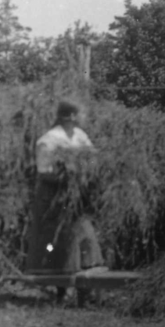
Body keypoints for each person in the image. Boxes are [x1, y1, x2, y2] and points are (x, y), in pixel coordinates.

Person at [25, 100, 105, 300]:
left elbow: (93, 156)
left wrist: (91, 169)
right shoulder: (49, 140)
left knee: (83, 235)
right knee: (58, 238)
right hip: (55, 195)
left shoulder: (80, 136)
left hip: (77, 195)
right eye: (77, 114)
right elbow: (43, 172)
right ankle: (62, 290)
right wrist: (66, 177)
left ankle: (84, 291)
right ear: (68, 116)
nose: (80, 118)